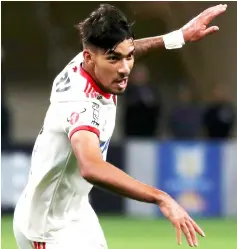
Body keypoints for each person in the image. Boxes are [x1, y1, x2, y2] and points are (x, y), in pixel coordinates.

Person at [13, 3, 227, 249]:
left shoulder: (91, 62)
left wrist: (179, 37)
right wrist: (161, 197)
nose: (125, 68)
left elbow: (130, 49)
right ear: (89, 58)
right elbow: (91, 167)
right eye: (114, 59)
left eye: (128, 57)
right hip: (47, 227)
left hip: (76, 211)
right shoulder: (80, 104)